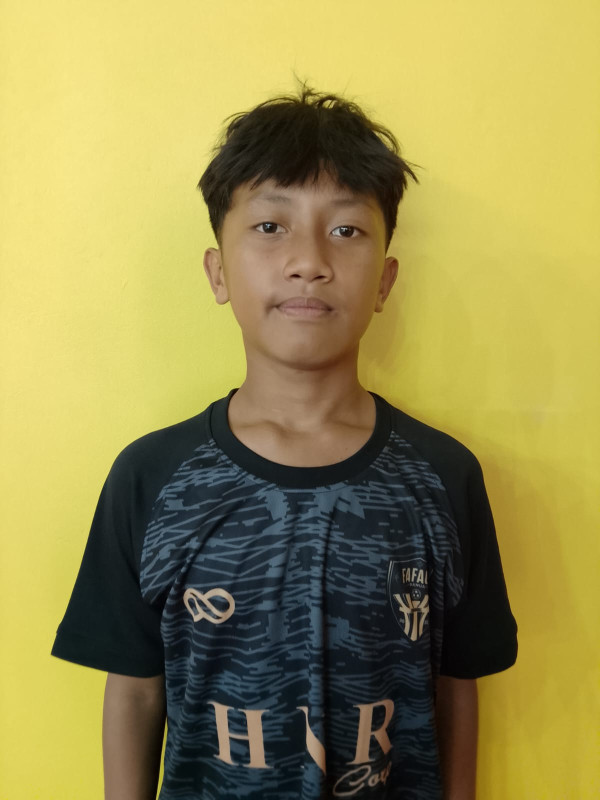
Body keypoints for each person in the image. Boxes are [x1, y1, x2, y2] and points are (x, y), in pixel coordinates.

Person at [52, 85, 517, 800]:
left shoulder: (443, 475)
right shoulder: (152, 475)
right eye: (271, 226)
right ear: (218, 272)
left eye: (346, 230)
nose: (309, 261)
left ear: (386, 281)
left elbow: (457, 682)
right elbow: (137, 688)